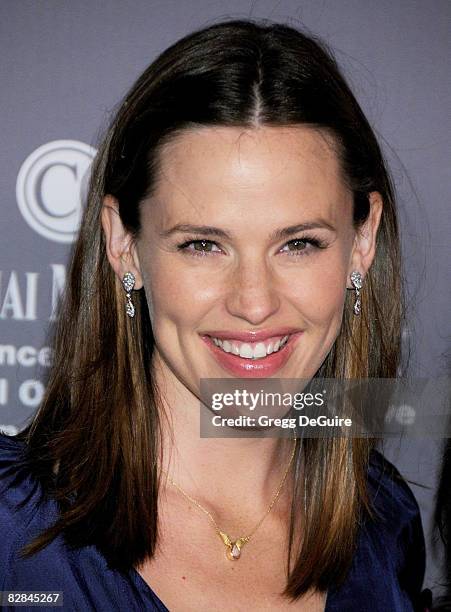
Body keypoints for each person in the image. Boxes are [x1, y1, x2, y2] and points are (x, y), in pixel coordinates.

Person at [0, 18, 432, 611]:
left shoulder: (385, 524)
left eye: (298, 243)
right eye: (203, 244)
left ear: (362, 241)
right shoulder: (11, 532)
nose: (254, 303)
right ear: (123, 244)